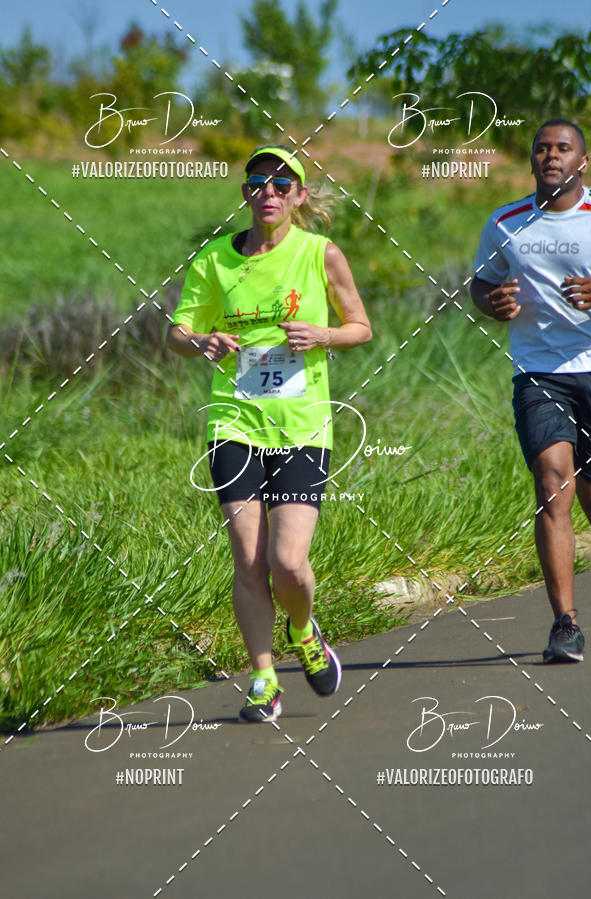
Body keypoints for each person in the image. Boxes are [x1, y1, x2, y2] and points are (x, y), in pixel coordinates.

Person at [167, 145, 371, 720]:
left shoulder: (321, 254)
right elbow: (180, 330)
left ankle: (304, 631)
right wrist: (201, 341)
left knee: (287, 562)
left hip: (303, 426)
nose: (270, 193)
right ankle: (262, 678)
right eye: (259, 182)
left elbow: (361, 327)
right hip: (233, 422)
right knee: (249, 561)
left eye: (283, 185)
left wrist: (322, 336)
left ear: (300, 196)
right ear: (246, 193)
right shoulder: (213, 260)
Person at [471, 118, 591, 663]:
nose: (551, 156)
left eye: (563, 148)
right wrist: (491, 300)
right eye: (542, 148)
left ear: (583, 161)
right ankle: (564, 625)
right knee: (553, 484)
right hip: (538, 373)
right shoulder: (506, 222)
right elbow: (481, 281)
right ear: (531, 160)